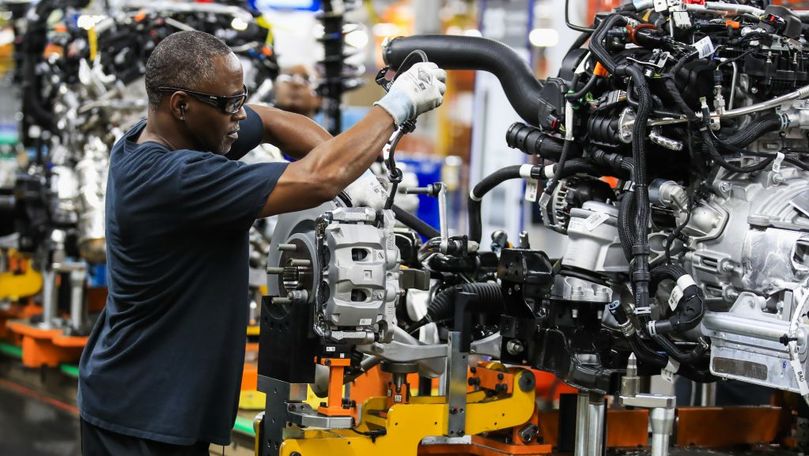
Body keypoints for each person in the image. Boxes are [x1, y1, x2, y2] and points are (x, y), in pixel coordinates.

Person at [77, 30, 445, 455]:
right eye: (230, 105)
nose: (239, 114)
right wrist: (393, 106)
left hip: (157, 404)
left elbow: (272, 121)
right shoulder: (170, 180)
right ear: (181, 105)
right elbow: (316, 178)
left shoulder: (161, 134)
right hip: (139, 418)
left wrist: (357, 175)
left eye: (241, 98)